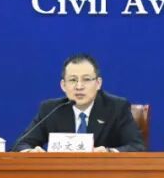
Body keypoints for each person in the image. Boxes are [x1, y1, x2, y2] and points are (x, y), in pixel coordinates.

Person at [14, 53, 146, 152]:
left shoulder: (117, 107)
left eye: (86, 79)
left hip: (102, 176)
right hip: (61, 176)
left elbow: (137, 147)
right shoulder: (50, 109)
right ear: (63, 85)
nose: (79, 86)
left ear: (98, 83)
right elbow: (20, 145)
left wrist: (108, 152)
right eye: (73, 80)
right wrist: (30, 152)